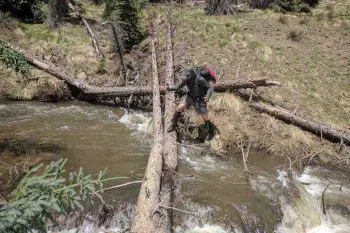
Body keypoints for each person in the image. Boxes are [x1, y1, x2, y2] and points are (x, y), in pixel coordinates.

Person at [167, 65, 217, 140]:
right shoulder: (186, 80)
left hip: (199, 99)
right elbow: (177, 87)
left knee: (204, 115)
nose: (187, 76)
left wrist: (207, 96)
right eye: (186, 75)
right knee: (179, 108)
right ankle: (173, 124)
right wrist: (168, 88)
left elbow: (209, 88)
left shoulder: (200, 79)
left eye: (188, 75)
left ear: (192, 74)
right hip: (190, 97)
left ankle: (210, 131)